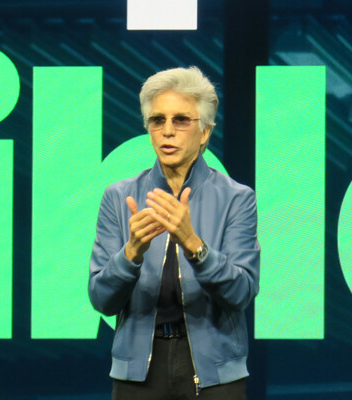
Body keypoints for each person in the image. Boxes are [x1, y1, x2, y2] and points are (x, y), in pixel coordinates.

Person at [89, 66, 260, 399]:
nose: (168, 131)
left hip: (215, 374)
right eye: (157, 120)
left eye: (181, 120)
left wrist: (194, 245)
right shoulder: (118, 197)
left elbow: (241, 293)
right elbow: (101, 298)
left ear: (205, 132)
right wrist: (131, 253)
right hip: (137, 373)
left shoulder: (237, 198)